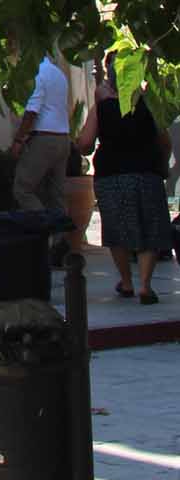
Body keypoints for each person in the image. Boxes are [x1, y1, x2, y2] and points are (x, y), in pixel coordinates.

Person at [75, 64, 173, 304]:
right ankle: (146, 286)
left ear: (110, 78)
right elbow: (165, 141)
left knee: (116, 230)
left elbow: (86, 144)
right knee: (150, 229)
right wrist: (162, 165)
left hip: (111, 175)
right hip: (146, 173)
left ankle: (127, 282)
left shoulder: (102, 108)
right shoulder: (150, 106)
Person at [8, 52, 72, 219]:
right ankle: (60, 239)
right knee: (56, 194)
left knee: (22, 189)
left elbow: (32, 111)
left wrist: (19, 140)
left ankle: (45, 228)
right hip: (63, 138)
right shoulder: (58, 73)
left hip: (44, 139)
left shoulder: (36, 73)